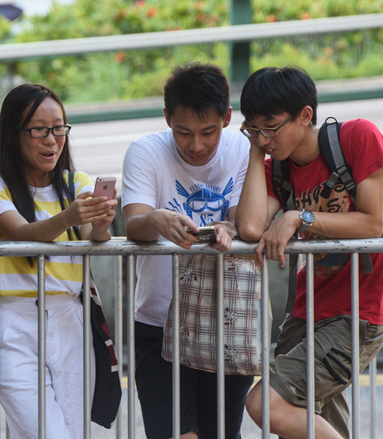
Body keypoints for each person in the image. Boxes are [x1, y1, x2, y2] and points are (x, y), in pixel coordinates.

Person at [236, 66, 383, 439]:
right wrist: (257, 151)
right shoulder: (278, 170)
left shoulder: (357, 137)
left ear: (305, 115)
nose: (263, 138)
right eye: (252, 128)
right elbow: (252, 227)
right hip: (305, 313)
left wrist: (300, 216)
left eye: (270, 127)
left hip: (357, 314)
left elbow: (373, 224)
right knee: (309, 425)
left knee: (264, 404)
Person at [121, 62, 253, 439]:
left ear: (227, 118)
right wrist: (158, 220)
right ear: (167, 118)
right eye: (183, 132)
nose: (196, 146)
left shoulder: (244, 148)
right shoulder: (145, 152)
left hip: (227, 319)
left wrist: (229, 228)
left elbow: (244, 220)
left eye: (208, 132)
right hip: (159, 323)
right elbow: (134, 222)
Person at [0, 83, 117, 439]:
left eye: (59, 128)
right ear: (13, 134)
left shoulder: (77, 182)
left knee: (71, 432)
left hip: (69, 316)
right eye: (39, 130)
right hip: (12, 317)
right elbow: (20, 233)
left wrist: (101, 224)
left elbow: (92, 236)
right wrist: (70, 218)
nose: (52, 139)